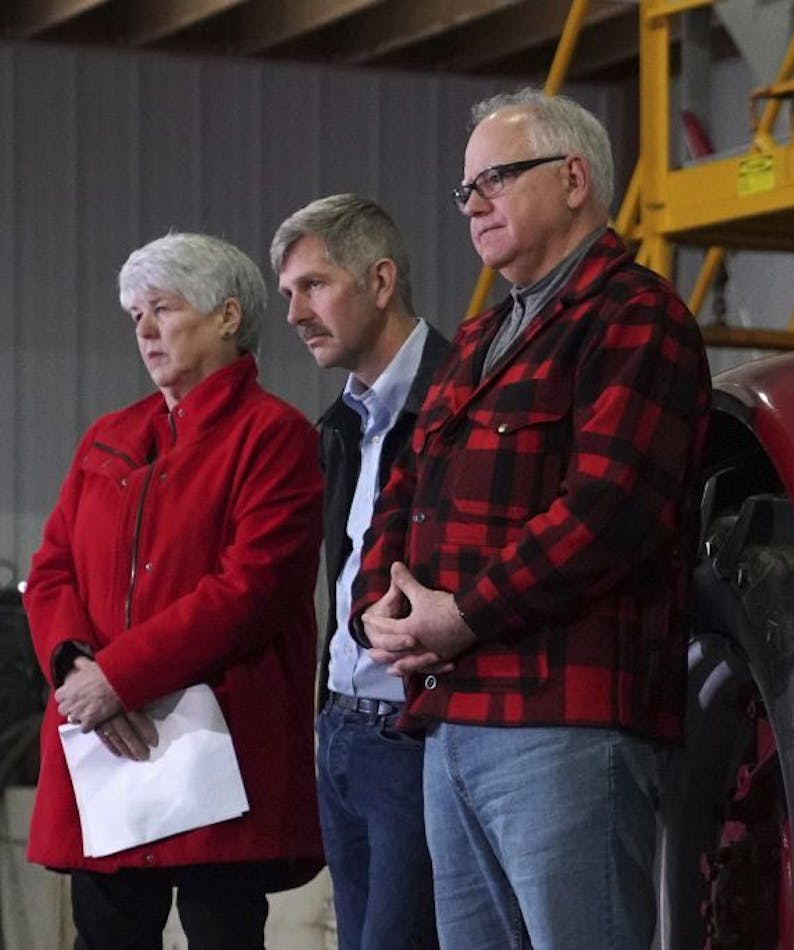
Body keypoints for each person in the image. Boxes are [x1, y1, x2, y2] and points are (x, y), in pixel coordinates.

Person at [349, 89, 711, 948]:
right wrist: (380, 608)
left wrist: (463, 614)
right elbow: (402, 493)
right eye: (465, 189)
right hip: (453, 719)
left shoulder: (637, 317)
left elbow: (608, 510)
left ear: (575, 177)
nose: (473, 204)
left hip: (566, 723)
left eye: (497, 179)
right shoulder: (477, 341)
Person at [24, 233, 324, 946]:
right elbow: (52, 568)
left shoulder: (273, 436)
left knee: (222, 931)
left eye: (163, 307)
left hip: (216, 749)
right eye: (135, 315)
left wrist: (118, 679)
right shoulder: (108, 436)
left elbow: (252, 589)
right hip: (104, 745)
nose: (146, 330)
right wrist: (75, 669)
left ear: (227, 316)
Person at [272, 194, 448, 950]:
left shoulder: (459, 397)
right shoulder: (342, 424)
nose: (294, 313)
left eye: (313, 286)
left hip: (416, 736)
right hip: (342, 727)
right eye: (287, 294)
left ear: (380, 281)